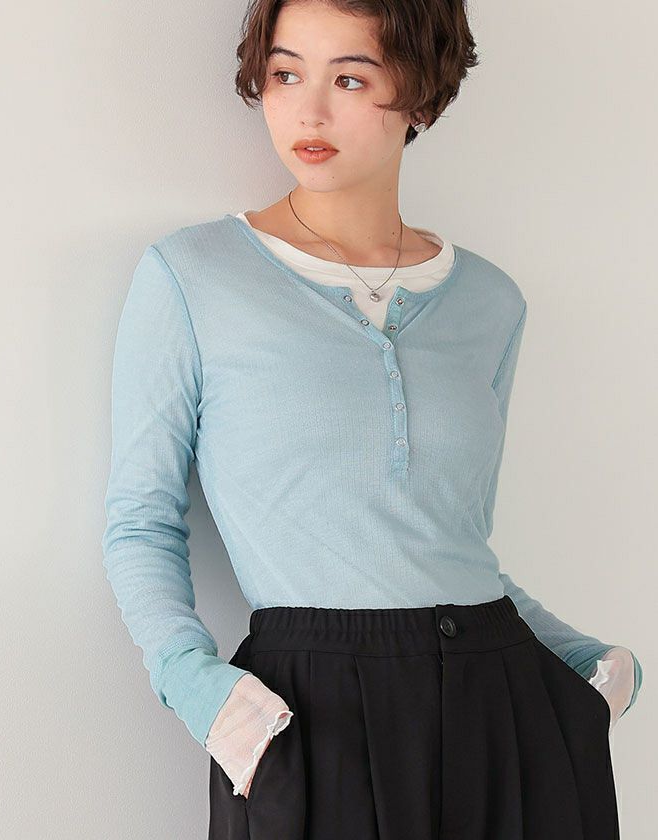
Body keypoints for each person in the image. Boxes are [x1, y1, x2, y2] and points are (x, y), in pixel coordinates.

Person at [101, 1, 642, 837]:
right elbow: (140, 520)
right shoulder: (192, 276)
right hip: (307, 716)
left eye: (351, 79)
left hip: (503, 704)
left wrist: (587, 664)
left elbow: (448, 542)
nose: (309, 111)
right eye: (285, 74)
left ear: (420, 93)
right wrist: (201, 692)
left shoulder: (491, 301)